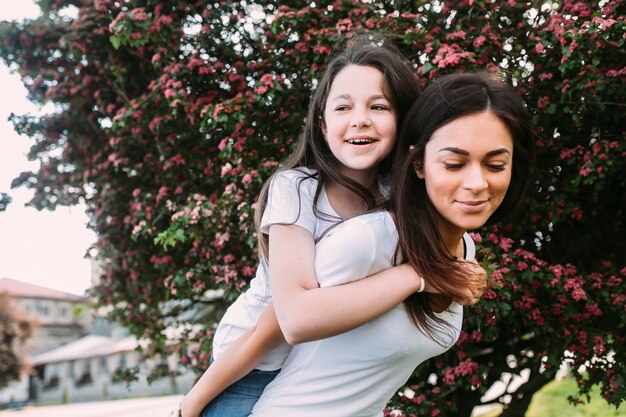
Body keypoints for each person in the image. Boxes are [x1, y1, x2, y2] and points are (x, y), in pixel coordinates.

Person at [180, 35, 486, 417]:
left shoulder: (400, 200)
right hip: (250, 366)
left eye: (378, 106)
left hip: (319, 363)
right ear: (323, 126)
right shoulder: (296, 189)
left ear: (402, 122)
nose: (360, 119)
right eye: (343, 107)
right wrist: (193, 402)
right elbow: (279, 323)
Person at [248, 71, 535, 416]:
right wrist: (195, 403)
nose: (477, 182)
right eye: (454, 163)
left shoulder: (464, 249)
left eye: (495, 164)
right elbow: (283, 321)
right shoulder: (368, 239)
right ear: (418, 163)